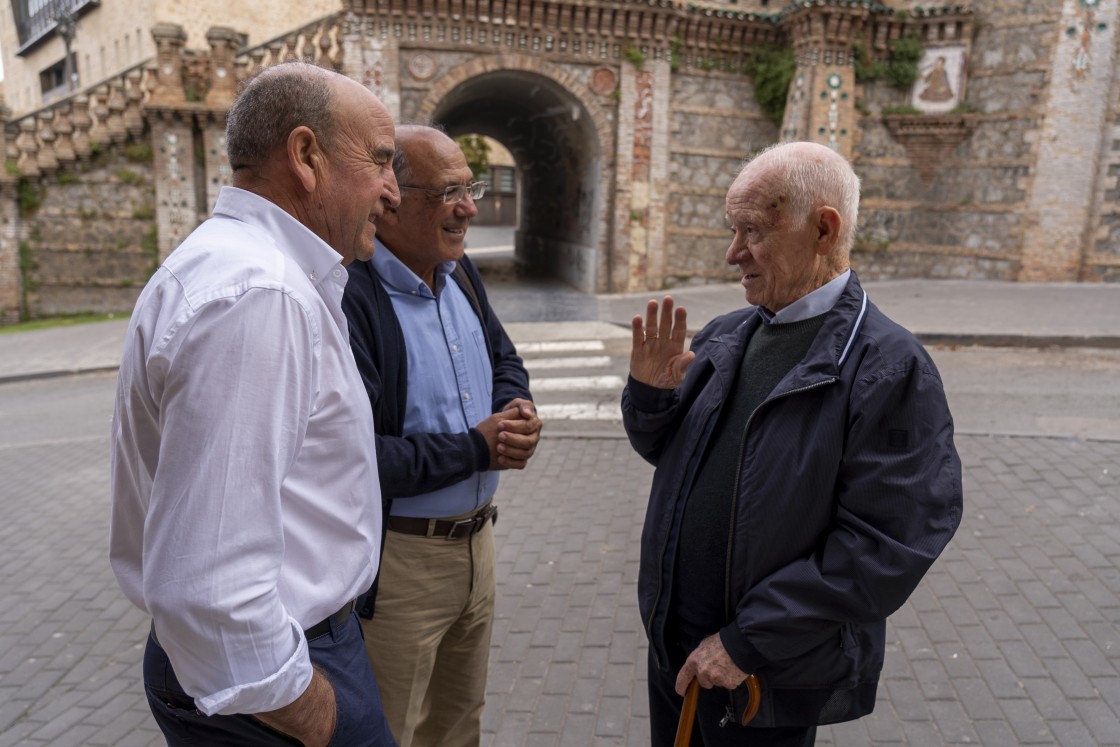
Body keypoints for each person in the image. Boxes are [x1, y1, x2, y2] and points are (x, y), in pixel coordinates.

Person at [622, 141, 963, 747]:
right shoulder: (729, 334)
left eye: (751, 231)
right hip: (677, 652)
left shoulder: (888, 364)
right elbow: (668, 454)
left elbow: (888, 544)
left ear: (824, 228)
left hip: (761, 670)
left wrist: (746, 641)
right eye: (733, 230)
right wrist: (650, 397)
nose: (732, 255)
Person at [109, 61, 400, 746]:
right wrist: (308, 705)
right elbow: (207, 582)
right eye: (380, 162)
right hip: (273, 677)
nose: (391, 191)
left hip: (271, 660)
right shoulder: (258, 293)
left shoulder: (244, 268)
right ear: (306, 156)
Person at [342, 125, 542, 747]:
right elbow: (359, 459)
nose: (470, 208)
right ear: (392, 198)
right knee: (388, 730)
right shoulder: (354, 298)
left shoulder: (459, 273)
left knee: (458, 726)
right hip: (401, 563)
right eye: (450, 192)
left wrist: (516, 409)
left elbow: (504, 357)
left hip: (477, 547)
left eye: (470, 188)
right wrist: (479, 448)